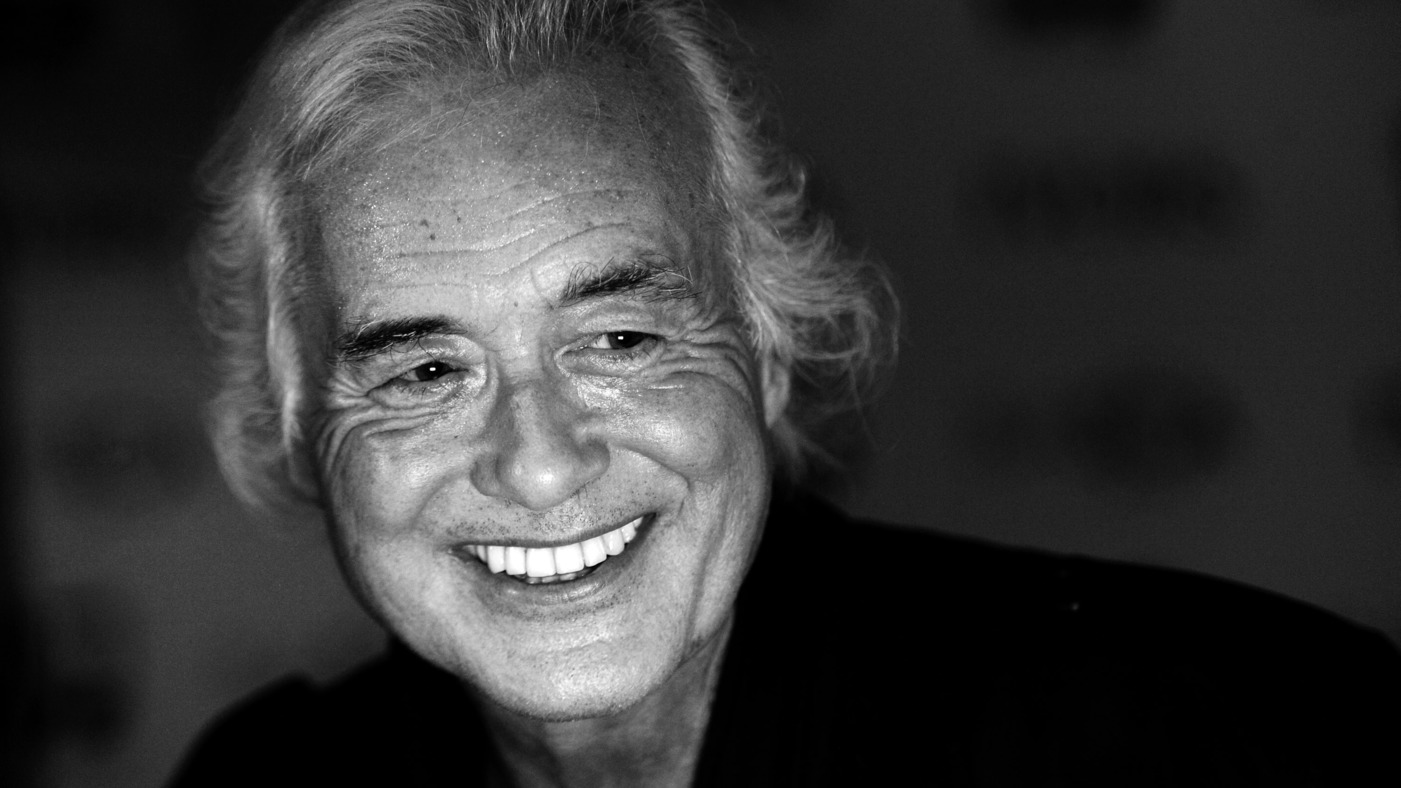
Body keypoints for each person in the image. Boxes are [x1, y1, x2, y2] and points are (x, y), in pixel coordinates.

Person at [173, 0, 1401, 785]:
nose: (538, 463)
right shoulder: (270, 778)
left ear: (767, 351)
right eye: (428, 372)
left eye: (620, 338)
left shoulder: (1213, 738)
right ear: (298, 421)